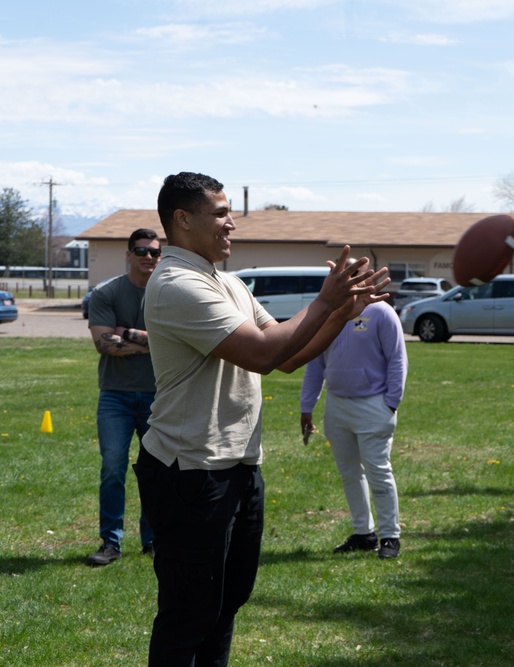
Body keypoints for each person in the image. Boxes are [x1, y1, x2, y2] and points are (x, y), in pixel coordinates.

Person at [133, 172, 389, 666]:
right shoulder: (176, 284)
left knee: (225, 605)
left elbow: (290, 354)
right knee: (189, 613)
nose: (232, 224)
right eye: (222, 214)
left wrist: (341, 312)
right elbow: (264, 353)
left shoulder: (225, 281)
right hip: (190, 472)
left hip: (236, 467)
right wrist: (325, 301)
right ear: (182, 220)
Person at [300, 288, 407, 559]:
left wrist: (391, 403)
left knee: (378, 470)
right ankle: (364, 533)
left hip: (374, 404)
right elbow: (315, 364)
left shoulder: (381, 312)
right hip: (337, 406)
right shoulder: (328, 316)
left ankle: (390, 537)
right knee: (349, 473)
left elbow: (397, 358)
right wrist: (307, 406)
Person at [85, 228, 161, 566]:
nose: (148, 257)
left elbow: (173, 342)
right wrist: (149, 343)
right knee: (113, 467)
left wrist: (125, 333)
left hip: (159, 396)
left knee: (155, 471)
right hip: (114, 396)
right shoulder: (108, 292)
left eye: (154, 252)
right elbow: (103, 345)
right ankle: (110, 543)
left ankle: (154, 539)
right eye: (141, 251)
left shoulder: (166, 294)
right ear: (128, 254)